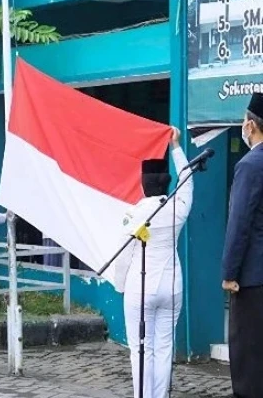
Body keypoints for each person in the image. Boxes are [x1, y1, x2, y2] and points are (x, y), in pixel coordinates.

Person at [114, 127, 192, 398]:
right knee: (164, 347)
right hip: (172, 285)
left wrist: (120, 285)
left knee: (140, 349)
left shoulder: (133, 214)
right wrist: (176, 147)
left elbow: (124, 255)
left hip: (140, 286)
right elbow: (188, 180)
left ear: (143, 183)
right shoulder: (177, 208)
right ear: (166, 183)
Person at [222, 93, 263, 397]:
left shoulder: (250, 165)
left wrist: (229, 272)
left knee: (248, 361)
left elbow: (239, 224)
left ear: (251, 125)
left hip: (252, 279)